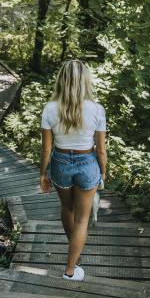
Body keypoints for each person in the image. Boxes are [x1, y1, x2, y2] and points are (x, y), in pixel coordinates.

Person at [39, 59, 107, 281]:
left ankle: (74, 257)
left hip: (60, 163)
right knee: (82, 219)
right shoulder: (97, 109)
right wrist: (103, 172)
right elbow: (101, 151)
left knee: (67, 209)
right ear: (85, 81)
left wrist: (42, 173)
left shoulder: (50, 109)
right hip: (87, 163)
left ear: (62, 80)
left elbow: (46, 148)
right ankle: (70, 270)